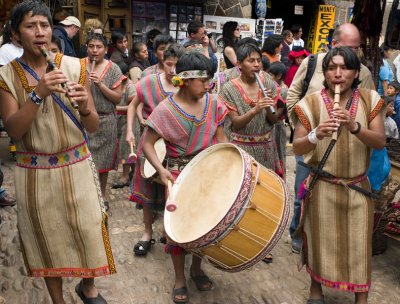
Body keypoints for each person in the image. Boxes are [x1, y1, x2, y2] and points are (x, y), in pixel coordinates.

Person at [0, 1, 115, 303]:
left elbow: (91, 126)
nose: (39, 33)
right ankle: (57, 300)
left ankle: (87, 286)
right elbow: (14, 130)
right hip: (34, 172)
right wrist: (38, 93)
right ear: (15, 33)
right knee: (44, 238)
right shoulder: (6, 76)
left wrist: (87, 107)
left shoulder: (76, 66)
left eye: (44, 25)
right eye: (29, 26)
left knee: (89, 227)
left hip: (76, 162)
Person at [291, 46, 386, 304]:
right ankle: (316, 290)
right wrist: (315, 134)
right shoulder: (310, 103)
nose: (338, 73)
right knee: (319, 241)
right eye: (332, 68)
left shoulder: (370, 99)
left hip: (357, 188)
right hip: (323, 187)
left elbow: (379, 142)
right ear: (325, 72)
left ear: (356, 73)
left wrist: (354, 126)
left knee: (359, 246)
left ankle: (361, 298)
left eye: (344, 68)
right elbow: (297, 147)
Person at [142, 51, 228, 303]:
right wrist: (160, 169)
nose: (207, 87)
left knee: (204, 226)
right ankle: (180, 278)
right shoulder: (165, 110)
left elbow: (221, 139)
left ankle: (197, 269)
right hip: (178, 176)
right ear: (187, 79)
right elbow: (147, 144)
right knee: (178, 230)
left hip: (207, 172)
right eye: (203, 81)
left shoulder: (213, 103)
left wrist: (229, 165)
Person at [286, 23, 375, 254]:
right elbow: (293, 94)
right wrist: (304, 127)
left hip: (345, 145)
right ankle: (299, 233)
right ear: (334, 44)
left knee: (338, 197)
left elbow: (368, 106)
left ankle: (332, 244)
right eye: (350, 47)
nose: (355, 53)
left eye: (357, 48)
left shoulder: (362, 72)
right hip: (311, 143)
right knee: (305, 192)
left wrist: (353, 125)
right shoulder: (312, 62)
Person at [126, 44, 182, 256]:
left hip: (177, 146)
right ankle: (147, 233)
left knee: (173, 190)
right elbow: (133, 105)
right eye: (169, 64)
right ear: (162, 62)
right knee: (148, 190)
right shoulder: (149, 82)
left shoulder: (185, 85)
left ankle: (170, 232)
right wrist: (130, 130)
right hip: (151, 144)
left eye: (177, 65)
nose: (172, 69)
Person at [219, 43, 282, 176]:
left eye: (259, 60)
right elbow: (236, 123)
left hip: (265, 150)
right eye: (251, 61)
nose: (256, 65)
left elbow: (273, 120)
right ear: (240, 64)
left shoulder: (268, 83)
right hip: (241, 150)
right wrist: (256, 109)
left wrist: (269, 106)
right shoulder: (228, 89)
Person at [86, 33, 125, 211]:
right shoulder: (79, 65)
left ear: (105, 49)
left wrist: (101, 84)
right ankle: (86, 196)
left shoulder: (114, 68)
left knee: (103, 164)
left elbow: (117, 99)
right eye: (91, 46)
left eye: (98, 47)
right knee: (86, 162)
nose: (94, 51)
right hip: (84, 120)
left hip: (107, 120)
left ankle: (101, 196)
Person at [112, 61, 136, 189]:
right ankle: (134, 173)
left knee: (127, 149)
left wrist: (116, 108)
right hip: (120, 121)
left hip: (130, 122)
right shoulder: (117, 84)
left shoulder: (130, 86)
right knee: (126, 149)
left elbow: (133, 107)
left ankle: (125, 176)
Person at [268, 61, 288, 178]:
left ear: (278, 76)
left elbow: (278, 113)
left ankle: (281, 178)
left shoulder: (283, 90)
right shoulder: (277, 88)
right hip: (275, 124)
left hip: (278, 125)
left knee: (279, 152)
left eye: (270, 75)